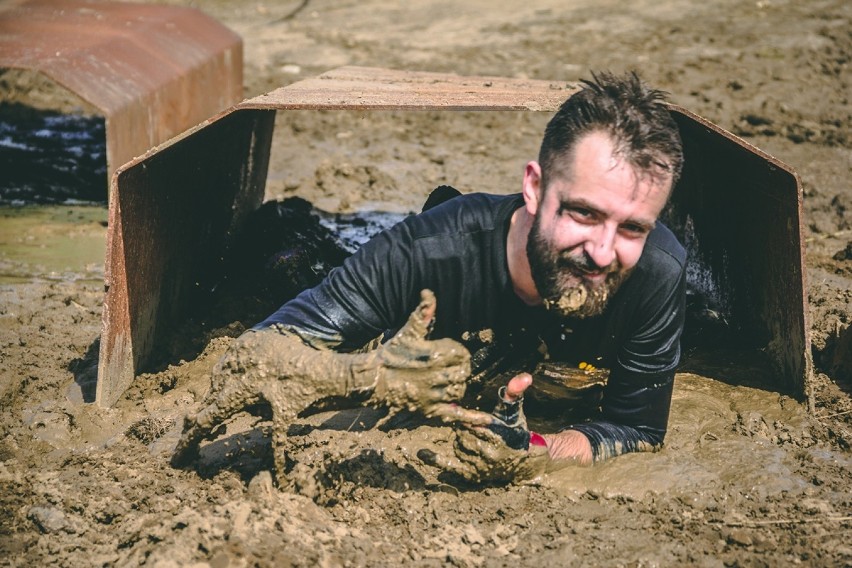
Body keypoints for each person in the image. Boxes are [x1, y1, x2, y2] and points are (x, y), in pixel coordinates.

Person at [172, 71, 686, 483]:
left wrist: (538, 452)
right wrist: (370, 376)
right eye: (584, 214)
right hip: (416, 285)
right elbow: (255, 355)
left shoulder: (656, 272)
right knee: (285, 264)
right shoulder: (427, 252)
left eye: (632, 227)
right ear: (534, 186)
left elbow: (635, 426)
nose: (602, 253)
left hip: (533, 380)